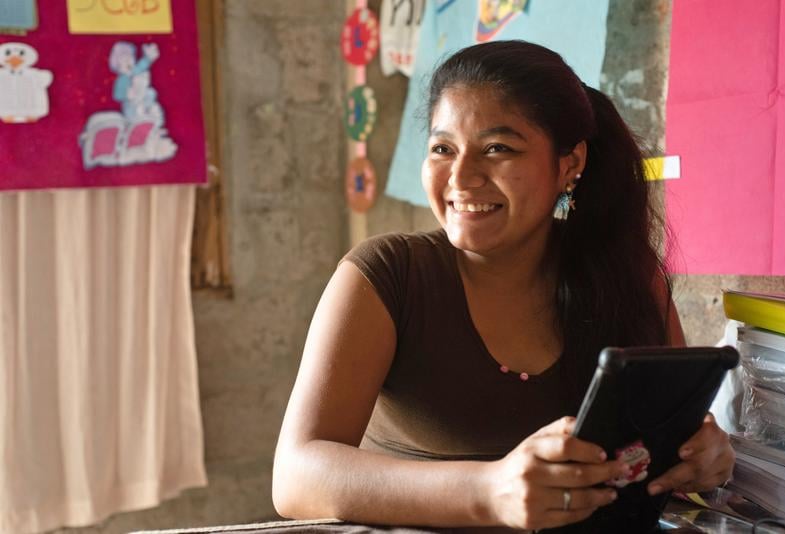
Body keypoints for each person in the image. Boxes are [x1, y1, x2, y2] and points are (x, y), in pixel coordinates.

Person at [272, 40, 734, 531]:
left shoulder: (625, 274)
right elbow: (296, 476)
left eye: (498, 149)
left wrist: (705, 461)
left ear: (569, 164)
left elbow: (668, 445)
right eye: (442, 149)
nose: (462, 177)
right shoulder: (388, 275)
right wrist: (490, 490)